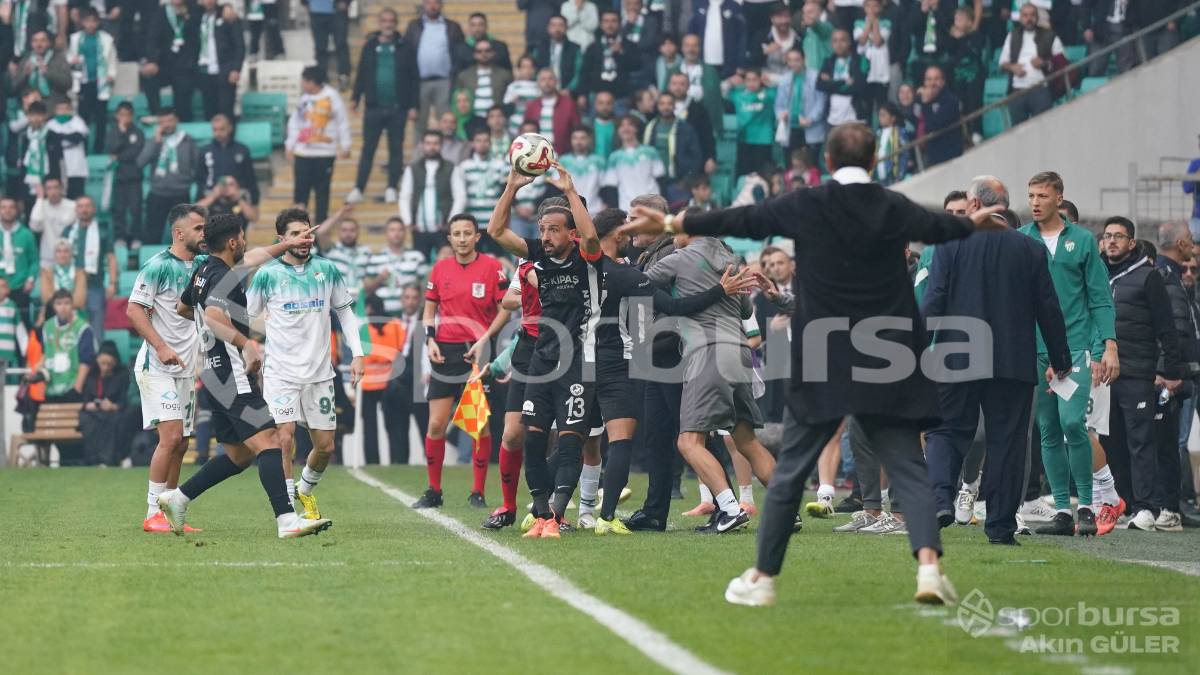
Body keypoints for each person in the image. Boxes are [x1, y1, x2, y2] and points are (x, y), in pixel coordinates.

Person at [618, 122, 1007, 605]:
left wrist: (672, 224)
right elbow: (940, 226)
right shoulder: (892, 205)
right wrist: (974, 221)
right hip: (890, 353)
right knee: (908, 467)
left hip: (825, 352)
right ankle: (929, 569)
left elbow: (743, 218)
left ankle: (762, 578)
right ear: (874, 161)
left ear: (827, 161)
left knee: (790, 471)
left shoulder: (808, 203)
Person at [157, 213, 333, 538]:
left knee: (239, 455)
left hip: (213, 376)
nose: (245, 243)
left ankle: (178, 498)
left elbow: (183, 308)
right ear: (232, 242)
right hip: (232, 376)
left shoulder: (205, 270)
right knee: (271, 441)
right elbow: (213, 316)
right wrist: (245, 343)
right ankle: (287, 521)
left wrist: (288, 244)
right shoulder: (222, 276)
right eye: (242, 237)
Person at [921, 175, 1071, 545]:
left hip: (957, 356)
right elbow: (1048, 308)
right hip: (1012, 361)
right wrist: (1060, 358)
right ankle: (1001, 527)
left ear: (974, 204)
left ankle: (939, 500)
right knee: (1007, 443)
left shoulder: (950, 244)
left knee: (945, 430)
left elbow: (934, 300)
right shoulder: (1030, 249)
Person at [486, 165, 601, 538]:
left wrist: (570, 191)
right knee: (532, 439)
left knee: (570, 440)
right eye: (542, 229)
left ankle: (557, 516)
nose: (546, 237)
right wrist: (511, 187)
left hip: (578, 359)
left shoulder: (587, 257)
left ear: (571, 233)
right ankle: (540, 516)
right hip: (542, 359)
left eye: (554, 230)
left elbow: (591, 236)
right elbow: (496, 231)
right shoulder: (537, 255)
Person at [1017, 171, 1119, 536]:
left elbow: (1099, 298)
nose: (1035, 202)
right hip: (1034, 349)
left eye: (1042, 195)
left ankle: (1086, 506)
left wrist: (1108, 345)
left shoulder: (1083, 241)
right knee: (1047, 428)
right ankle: (1062, 511)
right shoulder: (1021, 239)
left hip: (1074, 348)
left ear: (1059, 198)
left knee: (1073, 423)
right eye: (1031, 195)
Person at [248, 208, 364, 520]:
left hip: (319, 373)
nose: (304, 238)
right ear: (282, 239)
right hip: (280, 372)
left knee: (325, 447)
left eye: (307, 232)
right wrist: (247, 350)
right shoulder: (267, 275)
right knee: (283, 437)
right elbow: (246, 315)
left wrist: (358, 354)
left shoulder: (327, 270)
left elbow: (345, 312)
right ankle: (287, 510)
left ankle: (305, 489)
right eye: (296, 234)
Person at [412, 214, 508, 510]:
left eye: (468, 233)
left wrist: (486, 339)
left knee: (478, 426)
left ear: (477, 237)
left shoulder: (493, 267)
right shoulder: (440, 268)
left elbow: (506, 309)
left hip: (478, 353)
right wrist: (429, 340)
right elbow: (429, 310)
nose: (463, 238)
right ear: (450, 238)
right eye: (457, 234)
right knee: (436, 424)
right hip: (445, 352)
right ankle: (434, 490)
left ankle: (477, 492)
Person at [1098, 216, 1184, 533]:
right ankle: (1122, 503)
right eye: (1108, 235)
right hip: (1103, 375)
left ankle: (1147, 506)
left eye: (1119, 236)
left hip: (1137, 372)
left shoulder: (1148, 276)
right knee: (1111, 442)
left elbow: (1166, 327)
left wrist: (1168, 370)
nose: (1112, 241)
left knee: (1141, 442)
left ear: (1132, 242)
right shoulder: (1096, 275)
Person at [127, 204, 206, 532]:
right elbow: (134, 310)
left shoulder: (203, 265)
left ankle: (171, 510)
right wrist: (161, 347)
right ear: (179, 232)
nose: (204, 233)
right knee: (171, 436)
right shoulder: (157, 265)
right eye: (198, 228)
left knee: (182, 442)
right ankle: (152, 514)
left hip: (185, 367)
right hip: (156, 366)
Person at [1152, 220, 1199, 529]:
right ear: (1181, 244)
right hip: (1172, 377)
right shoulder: (1166, 278)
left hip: (1178, 373)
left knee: (1172, 441)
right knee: (1172, 442)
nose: (1193, 244)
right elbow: (1171, 331)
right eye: (1190, 239)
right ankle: (1170, 505)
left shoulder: (1174, 277)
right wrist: (1168, 371)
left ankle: (1173, 504)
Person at [350, 8, 419, 206]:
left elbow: (414, 77)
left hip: (398, 108)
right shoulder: (370, 45)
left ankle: (391, 188)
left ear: (395, 23)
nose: (388, 24)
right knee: (368, 149)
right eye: (384, 21)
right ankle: (358, 188)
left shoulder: (405, 46)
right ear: (379, 23)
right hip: (373, 107)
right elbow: (362, 72)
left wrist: (414, 105)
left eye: (391, 21)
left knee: (395, 149)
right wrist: (355, 97)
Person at [286, 66, 352, 224]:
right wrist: (290, 145)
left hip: (324, 153)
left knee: (322, 193)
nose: (302, 84)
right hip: (303, 153)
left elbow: (342, 122)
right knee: (300, 192)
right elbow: (295, 123)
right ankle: (298, 228)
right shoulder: (304, 99)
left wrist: (345, 145)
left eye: (304, 81)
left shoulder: (332, 97)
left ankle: (321, 227)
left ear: (312, 82)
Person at [398, 131, 467, 258]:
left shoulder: (452, 168)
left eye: (435, 143)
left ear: (441, 145)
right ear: (422, 145)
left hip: (444, 228)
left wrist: (451, 221)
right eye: (428, 143)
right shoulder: (412, 169)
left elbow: (460, 197)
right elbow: (405, 196)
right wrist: (408, 221)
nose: (432, 147)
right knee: (419, 262)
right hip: (419, 228)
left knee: (446, 264)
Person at [405, 0, 468, 138]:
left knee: (446, 120)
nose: (432, 6)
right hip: (420, 81)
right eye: (429, 2)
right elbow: (407, 53)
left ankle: (448, 150)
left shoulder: (452, 27)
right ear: (424, 4)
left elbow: (460, 53)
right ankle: (420, 150)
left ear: (441, 4)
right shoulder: (414, 26)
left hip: (444, 81)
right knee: (419, 122)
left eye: (436, 2)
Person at [138, 108, 196, 246]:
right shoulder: (153, 140)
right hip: (157, 193)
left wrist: (185, 180)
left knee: (183, 236)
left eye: (170, 120)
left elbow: (196, 164)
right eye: (162, 122)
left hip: (181, 193)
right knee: (152, 234)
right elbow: (141, 162)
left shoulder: (187, 140)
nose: (167, 124)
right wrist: (156, 141)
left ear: (177, 120)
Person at [360, 293, 407, 465]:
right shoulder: (396, 326)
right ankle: (397, 461)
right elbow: (401, 351)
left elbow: (362, 356)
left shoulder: (364, 329)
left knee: (370, 427)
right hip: (389, 382)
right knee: (394, 425)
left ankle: (372, 461)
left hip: (371, 384)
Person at [998, 3, 1063, 126]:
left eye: (1032, 15)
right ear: (1020, 18)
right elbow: (1002, 63)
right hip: (1017, 91)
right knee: (1018, 132)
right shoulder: (1012, 35)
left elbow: (1062, 63)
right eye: (1025, 15)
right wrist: (1012, 68)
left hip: (1041, 89)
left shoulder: (1049, 35)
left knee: (1043, 129)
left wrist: (1044, 63)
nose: (1029, 19)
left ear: (1037, 17)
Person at [61, 195, 116, 337]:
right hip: (72, 284)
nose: (84, 209)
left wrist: (112, 283)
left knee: (96, 324)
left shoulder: (103, 229)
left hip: (95, 283)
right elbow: (61, 259)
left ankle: (96, 351)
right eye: (80, 206)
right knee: (72, 324)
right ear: (76, 210)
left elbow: (110, 257)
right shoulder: (68, 231)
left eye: (87, 206)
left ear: (94, 209)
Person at [67, 7, 116, 154]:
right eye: (87, 21)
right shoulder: (76, 39)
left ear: (98, 22)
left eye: (93, 21)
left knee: (101, 117)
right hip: (83, 82)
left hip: (100, 82)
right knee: (83, 116)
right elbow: (69, 56)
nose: (90, 25)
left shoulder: (106, 39)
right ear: (82, 22)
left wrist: (111, 75)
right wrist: (72, 60)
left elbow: (112, 59)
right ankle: (83, 147)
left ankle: (99, 147)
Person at [363, 217, 430, 317]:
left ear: (405, 233)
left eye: (400, 230)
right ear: (386, 233)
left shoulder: (417, 257)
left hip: (409, 315)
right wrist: (379, 279)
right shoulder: (375, 258)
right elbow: (367, 289)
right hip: (381, 315)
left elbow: (426, 287)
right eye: (392, 230)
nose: (396, 233)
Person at [143, 0, 199, 119]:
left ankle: (182, 120)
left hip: (186, 65)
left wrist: (187, 17)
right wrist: (152, 61)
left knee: (183, 95)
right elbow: (152, 39)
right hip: (165, 63)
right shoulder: (160, 13)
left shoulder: (194, 10)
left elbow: (197, 37)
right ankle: (156, 114)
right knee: (149, 77)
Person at [79, 339, 131, 465]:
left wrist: (113, 406)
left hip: (112, 413)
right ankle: (92, 459)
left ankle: (107, 459)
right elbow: (85, 399)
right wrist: (89, 405)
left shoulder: (122, 376)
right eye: (103, 363)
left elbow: (124, 400)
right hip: (92, 413)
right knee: (88, 421)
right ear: (97, 360)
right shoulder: (91, 376)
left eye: (109, 364)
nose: (106, 367)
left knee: (113, 421)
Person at [644, 92, 702, 202]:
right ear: (657, 106)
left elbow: (696, 157)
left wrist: (685, 181)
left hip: (677, 183)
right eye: (662, 104)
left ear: (674, 106)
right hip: (654, 182)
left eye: (669, 104)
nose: (666, 107)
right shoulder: (650, 127)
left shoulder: (686, 128)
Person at [197, 114, 260, 209]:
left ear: (230, 128)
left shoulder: (242, 150)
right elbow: (200, 180)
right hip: (213, 200)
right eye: (215, 130)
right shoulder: (205, 151)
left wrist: (253, 199)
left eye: (221, 129)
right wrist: (212, 193)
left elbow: (250, 178)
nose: (218, 133)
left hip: (237, 200)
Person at [195, 0, 244, 121]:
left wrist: (236, 68)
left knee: (226, 111)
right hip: (204, 71)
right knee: (209, 111)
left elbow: (239, 45)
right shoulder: (196, 14)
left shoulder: (225, 14)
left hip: (224, 70)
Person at [602, 116, 665, 210]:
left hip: (652, 206)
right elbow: (611, 186)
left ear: (636, 129)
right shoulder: (614, 157)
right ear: (618, 131)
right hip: (627, 208)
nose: (626, 128)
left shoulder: (650, 152)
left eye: (630, 125)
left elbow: (660, 179)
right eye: (622, 126)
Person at [105, 101, 144, 247]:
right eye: (122, 115)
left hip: (135, 177)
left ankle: (136, 237)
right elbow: (112, 148)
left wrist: (119, 156)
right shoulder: (113, 132)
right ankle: (120, 237)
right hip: (118, 176)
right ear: (117, 116)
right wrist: (122, 134)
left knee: (135, 209)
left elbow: (136, 152)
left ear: (132, 116)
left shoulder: (138, 132)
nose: (125, 118)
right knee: (119, 210)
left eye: (128, 115)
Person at [579, 10, 635, 105]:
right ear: (601, 24)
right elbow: (584, 72)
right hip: (596, 97)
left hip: (621, 97)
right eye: (606, 21)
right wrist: (582, 94)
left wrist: (621, 52)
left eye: (613, 21)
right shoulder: (592, 47)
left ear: (620, 24)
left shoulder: (629, 45)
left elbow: (636, 66)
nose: (610, 25)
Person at [0, 194, 40, 324]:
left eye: (11, 207)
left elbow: (34, 260)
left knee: (23, 324)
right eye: (3, 207)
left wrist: (30, 280)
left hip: (20, 287)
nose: (7, 210)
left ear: (16, 210)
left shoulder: (26, 234)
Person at [523, 68, 581, 155]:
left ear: (556, 81)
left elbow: (577, 129)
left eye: (550, 79)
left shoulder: (569, 104)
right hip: (537, 154)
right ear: (538, 83)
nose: (547, 83)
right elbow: (526, 133)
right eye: (543, 79)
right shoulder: (531, 106)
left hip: (562, 154)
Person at [913, 65, 962, 167]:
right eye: (929, 79)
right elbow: (914, 119)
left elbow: (933, 126)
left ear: (943, 81)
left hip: (950, 158)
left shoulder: (950, 101)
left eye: (936, 79)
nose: (932, 83)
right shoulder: (920, 99)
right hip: (929, 156)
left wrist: (926, 103)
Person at [816, 29, 869, 126]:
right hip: (832, 119)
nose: (838, 44)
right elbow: (820, 85)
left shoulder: (860, 60)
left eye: (842, 40)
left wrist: (831, 83)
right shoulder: (828, 62)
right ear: (831, 44)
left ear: (849, 42)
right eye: (835, 41)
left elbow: (859, 87)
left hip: (855, 119)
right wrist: (843, 82)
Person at [458, 129, 508, 229]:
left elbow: (506, 193)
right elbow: (461, 195)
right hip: (472, 223)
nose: (482, 144)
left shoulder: (500, 165)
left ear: (490, 143)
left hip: (494, 223)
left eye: (486, 141)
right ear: (472, 143)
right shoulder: (464, 167)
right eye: (478, 141)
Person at [5, 29, 71, 106]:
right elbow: (14, 87)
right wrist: (25, 75)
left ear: (49, 43)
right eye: (35, 41)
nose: (39, 44)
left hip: (53, 103)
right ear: (31, 43)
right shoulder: (25, 60)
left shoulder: (58, 59)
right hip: (30, 105)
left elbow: (67, 84)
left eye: (43, 41)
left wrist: (48, 73)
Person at [456, 38, 513, 122]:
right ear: (474, 54)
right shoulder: (464, 76)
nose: (483, 54)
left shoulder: (504, 75)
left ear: (493, 53)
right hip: (472, 120)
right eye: (479, 51)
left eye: (487, 51)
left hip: (496, 121)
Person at [687, 0, 747, 79]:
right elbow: (691, 34)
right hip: (702, 63)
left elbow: (741, 38)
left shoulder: (734, 6)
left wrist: (740, 65)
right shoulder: (698, 4)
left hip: (728, 65)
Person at [45, 99, 87, 199]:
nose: (63, 111)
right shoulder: (50, 124)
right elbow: (49, 140)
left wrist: (59, 136)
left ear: (71, 109)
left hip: (76, 165)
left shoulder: (78, 121)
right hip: (56, 164)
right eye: (60, 109)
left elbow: (77, 138)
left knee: (76, 196)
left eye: (66, 109)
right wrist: (64, 137)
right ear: (55, 110)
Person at [29, 175, 75, 266]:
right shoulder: (41, 206)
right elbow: (35, 226)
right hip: (47, 258)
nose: (53, 191)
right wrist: (40, 198)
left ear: (61, 189)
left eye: (56, 187)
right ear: (45, 191)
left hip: (69, 258)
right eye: (49, 188)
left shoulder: (73, 206)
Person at [306, 0, 351, 90]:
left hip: (337, 11)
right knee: (320, 48)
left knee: (341, 45)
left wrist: (346, 1)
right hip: (316, 10)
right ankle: (322, 79)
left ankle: (343, 76)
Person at [532, 14, 582, 94]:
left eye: (561, 25)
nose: (557, 29)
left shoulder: (575, 49)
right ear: (548, 28)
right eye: (553, 25)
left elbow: (578, 73)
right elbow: (534, 70)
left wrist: (568, 89)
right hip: (542, 92)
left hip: (567, 93)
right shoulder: (539, 48)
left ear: (566, 28)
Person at [1085, 0, 1137, 77]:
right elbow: (1086, 4)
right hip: (1101, 28)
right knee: (1096, 67)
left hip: (1125, 27)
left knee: (1127, 67)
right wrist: (1086, 27)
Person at [1183, 135, 1200, 239]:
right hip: (1198, 217)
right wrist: (1196, 176)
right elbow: (1187, 188)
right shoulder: (1196, 164)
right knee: (1193, 243)